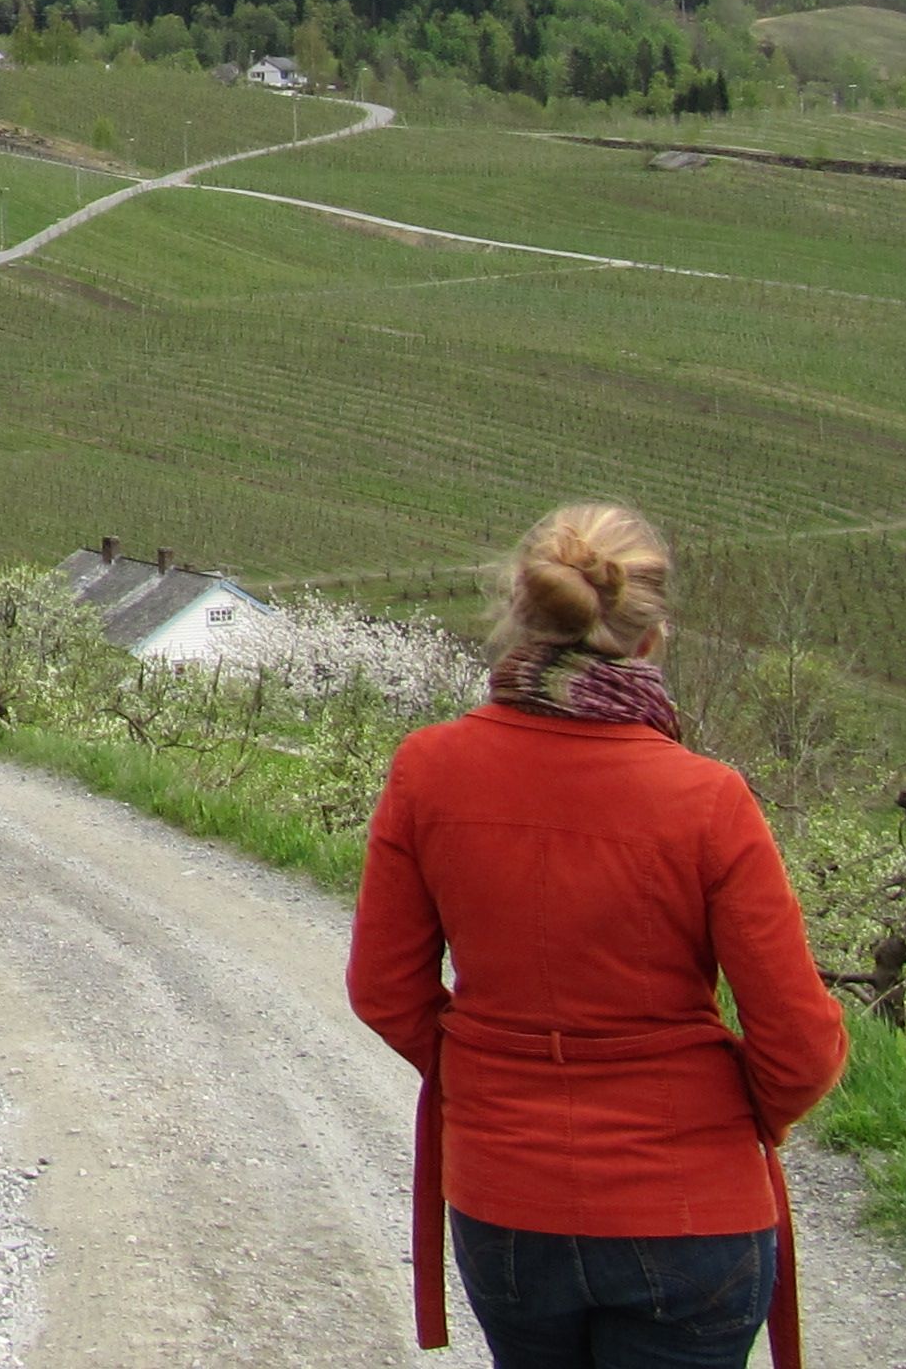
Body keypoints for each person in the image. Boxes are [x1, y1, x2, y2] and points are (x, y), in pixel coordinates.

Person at [347, 503, 847, 1368]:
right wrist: (726, 1122)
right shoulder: (707, 799)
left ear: (519, 616)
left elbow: (384, 991)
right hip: (694, 1216)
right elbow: (800, 1042)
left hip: (507, 1209)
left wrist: (491, 1078)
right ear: (653, 640)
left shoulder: (428, 769)